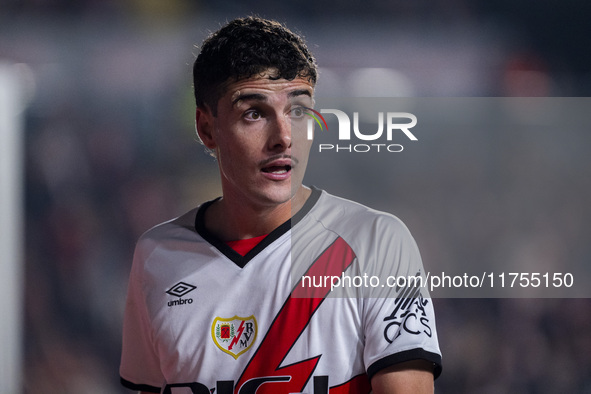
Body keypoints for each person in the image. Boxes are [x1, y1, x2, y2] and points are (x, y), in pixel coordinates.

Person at [120, 16, 442, 394]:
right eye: (254, 113)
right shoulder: (156, 256)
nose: (284, 137)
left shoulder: (376, 242)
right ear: (207, 128)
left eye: (298, 111)